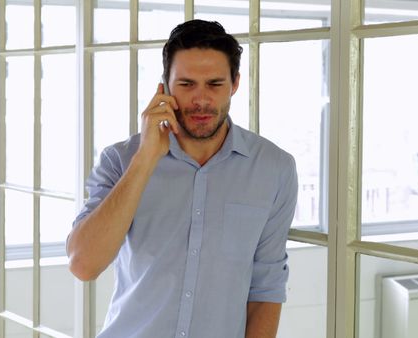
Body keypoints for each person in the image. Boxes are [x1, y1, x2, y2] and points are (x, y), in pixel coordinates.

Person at [66, 19, 298, 338]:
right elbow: (83, 264)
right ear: (165, 86)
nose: (201, 100)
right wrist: (145, 159)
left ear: (235, 84)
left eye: (214, 84)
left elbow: (266, 290)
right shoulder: (120, 160)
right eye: (187, 84)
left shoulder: (274, 169)